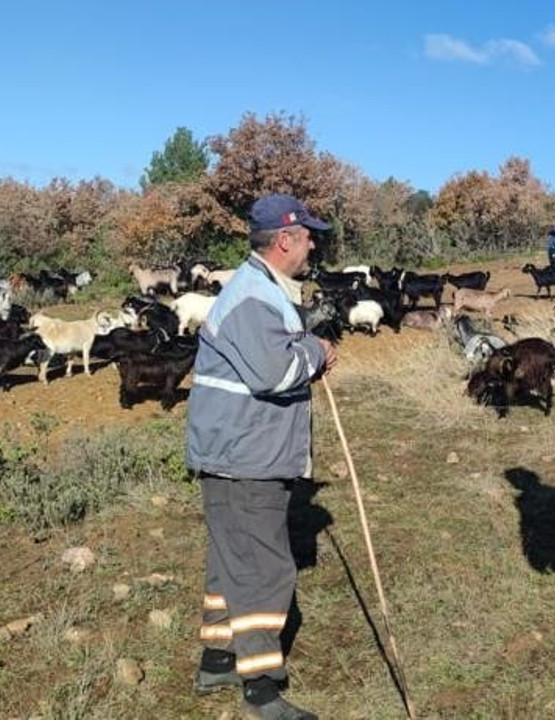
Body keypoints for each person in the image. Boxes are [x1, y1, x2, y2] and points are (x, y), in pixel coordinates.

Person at [185, 193, 339, 720]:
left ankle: (218, 658)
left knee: (232, 558)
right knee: (265, 567)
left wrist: (305, 344)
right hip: (246, 456)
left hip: (236, 451)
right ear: (284, 241)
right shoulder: (252, 295)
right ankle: (262, 687)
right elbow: (272, 374)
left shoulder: (262, 290)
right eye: (308, 235)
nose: (314, 243)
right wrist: (316, 354)